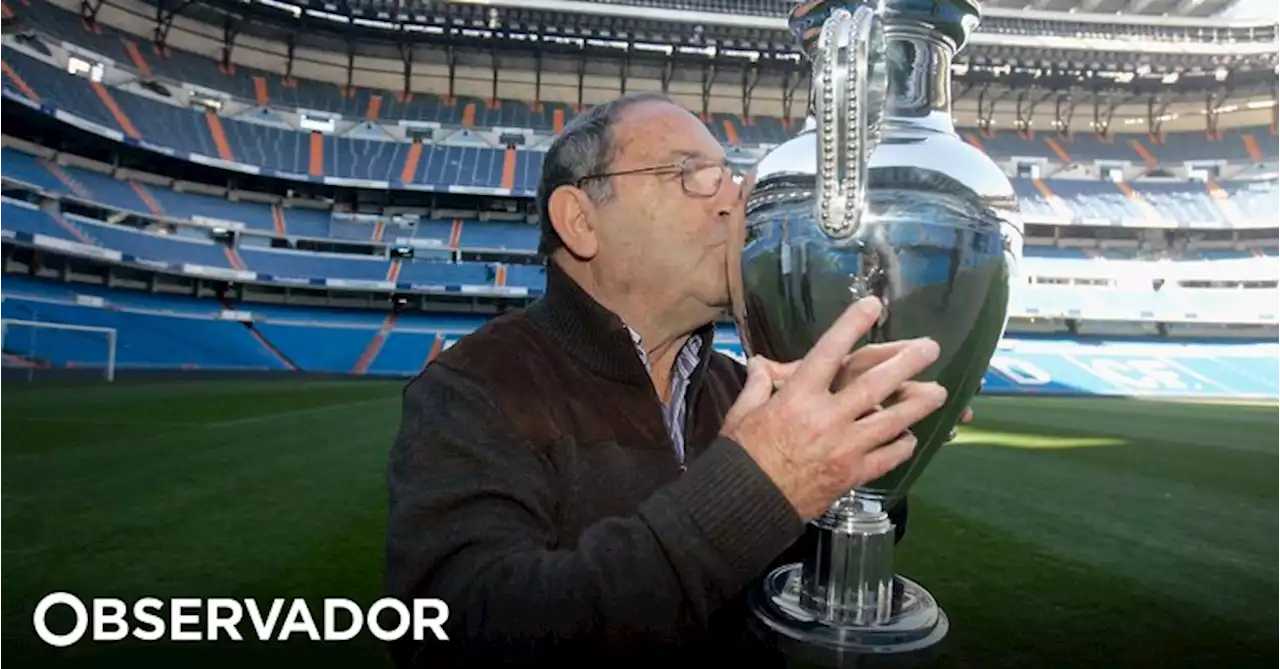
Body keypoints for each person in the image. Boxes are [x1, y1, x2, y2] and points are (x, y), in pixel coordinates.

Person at [383, 91, 956, 669]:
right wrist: (756, 486)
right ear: (580, 222)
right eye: (693, 174)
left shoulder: (742, 386)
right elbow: (456, 632)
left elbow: (803, 570)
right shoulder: (476, 388)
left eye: (729, 177)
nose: (736, 201)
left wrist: (862, 454)